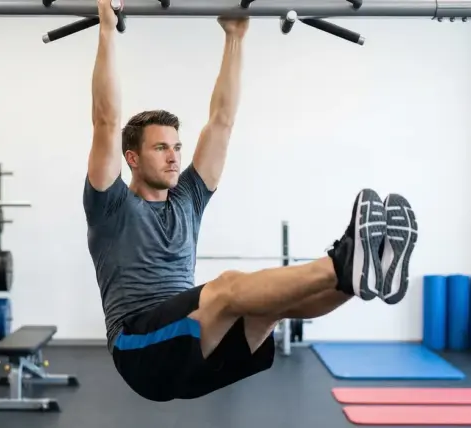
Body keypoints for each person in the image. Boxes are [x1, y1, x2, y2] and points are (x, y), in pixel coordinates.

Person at [83, 0, 418, 402]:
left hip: (192, 352)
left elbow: (222, 120)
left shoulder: (188, 198)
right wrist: (105, 28)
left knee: (270, 306)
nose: (174, 156)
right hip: (139, 350)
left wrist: (235, 37)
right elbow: (105, 120)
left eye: (177, 146)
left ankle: (357, 278)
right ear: (133, 159)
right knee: (229, 288)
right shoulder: (110, 207)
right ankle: (342, 261)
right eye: (160, 148)